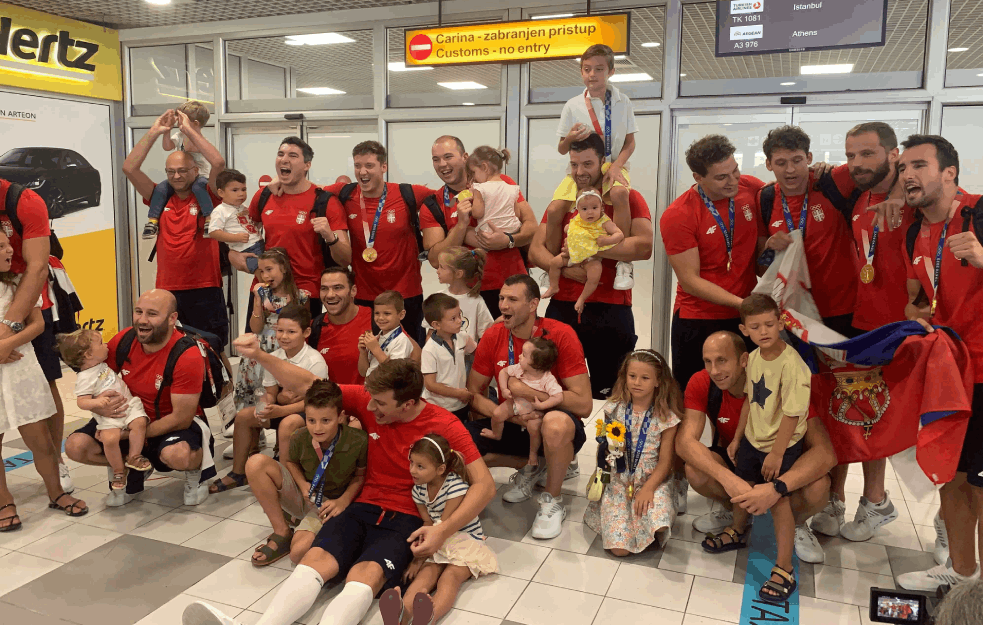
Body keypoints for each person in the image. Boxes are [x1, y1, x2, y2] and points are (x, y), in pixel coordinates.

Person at [183, 352, 496, 625]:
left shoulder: (445, 425)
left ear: (410, 403)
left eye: (381, 403)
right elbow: (311, 385)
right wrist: (260, 356)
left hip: (409, 519)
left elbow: (485, 485)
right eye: (370, 398)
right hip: (359, 506)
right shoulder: (371, 399)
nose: (370, 407)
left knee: (365, 577)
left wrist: (443, 531)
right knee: (311, 563)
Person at [812, 122, 909, 545]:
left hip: (902, 329)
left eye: (867, 154)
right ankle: (836, 495)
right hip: (861, 324)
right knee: (851, 409)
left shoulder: (915, 196)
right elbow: (812, 171)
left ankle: (876, 500)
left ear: (893, 155)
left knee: (883, 417)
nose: (856, 164)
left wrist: (905, 190)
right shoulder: (857, 192)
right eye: (851, 155)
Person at [896, 135, 983, 591]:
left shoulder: (980, 213)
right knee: (951, 474)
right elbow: (917, 301)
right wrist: (918, 320)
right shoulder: (914, 229)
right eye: (905, 166)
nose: (908, 174)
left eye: (921, 165)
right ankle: (962, 572)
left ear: (950, 172)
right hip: (950, 373)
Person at [677, 331, 835, 563]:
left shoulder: (783, 381)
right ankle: (735, 512)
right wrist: (731, 482)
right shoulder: (702, 381)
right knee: (695, 469)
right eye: (708, 362)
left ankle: (798, 523)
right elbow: (684, 442)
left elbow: (826, 454)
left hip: (781, 467)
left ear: (744, 360)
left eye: (722, 360)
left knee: (819, 486)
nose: (714, 371)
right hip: (744, 467)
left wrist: (777, 488)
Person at [465, 274, 593, 540]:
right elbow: (473, 393)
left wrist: (527, 392)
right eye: (501, 298)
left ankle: (552, 500)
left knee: (553, 425)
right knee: (459, 445)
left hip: (553, 424)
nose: (503, 305)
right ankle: (538, 465)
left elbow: (584, 404)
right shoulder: (493, 336)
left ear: (533, 304)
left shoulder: (560, 334)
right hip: (513, 420)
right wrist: (508, 416)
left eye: (512, 299)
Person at [703, 295, 811, 605]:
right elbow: (751, 400)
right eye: (755, 326)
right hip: (753, 439)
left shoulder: (792, 365)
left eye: (768, 324)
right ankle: (737, 530)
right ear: (744, 329)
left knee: (778, 501)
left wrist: (777, 453)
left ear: (781, 323)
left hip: (782, 445)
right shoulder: (753, 358)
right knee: (743, 487)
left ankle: (785, 567)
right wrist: (738, 438)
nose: (763, 331)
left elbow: (792, 414)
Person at [530, 132, 653, 401]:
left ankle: (612, 444)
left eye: (587, 164)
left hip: (611, 307)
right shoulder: (564, 200)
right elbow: (535, 251)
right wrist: (560, 268)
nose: (580, 171)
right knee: (552, 391)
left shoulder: (627, 197)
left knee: (615, 398)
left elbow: (644, 247)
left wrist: (586, 249)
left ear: (602, 162)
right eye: (574, 165)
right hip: (563, 305)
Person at [65, 289, 215, 507]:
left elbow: (181, 418)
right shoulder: (124, 340)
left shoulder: (187, 354)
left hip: (169, 422)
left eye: (152, 314)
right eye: (138, 312)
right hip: (128, 417)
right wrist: (101, 408)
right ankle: (129, 466)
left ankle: (196, 474)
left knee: (178, 455)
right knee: (75, 446)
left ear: (172, 318)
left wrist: (127, 435)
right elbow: (94, 378)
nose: (142, 320)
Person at [660, 134, 764, 392]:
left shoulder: (750, 188)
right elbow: (690, 280)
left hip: (744, 316)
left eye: (735, 171)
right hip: (699, 319)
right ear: (698, 177)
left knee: (750, 395)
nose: (733, 181)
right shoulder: (679, 214)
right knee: (697, 398)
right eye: (722, 177)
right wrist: (743, 304)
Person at [0, 230, 87, 530]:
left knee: (42, 440)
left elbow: (37, 324)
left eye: (9, 243)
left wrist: (9, 344)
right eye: (2, 246)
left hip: (23, 370)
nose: (11, 250)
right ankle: (4, 501)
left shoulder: (20, 283)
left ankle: (56, 492)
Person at [122, 109, 229, 349]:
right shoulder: (159, 198)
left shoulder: (209, 196)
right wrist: (155, 131)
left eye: (182, 171)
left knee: (213, 346)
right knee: (171, 348)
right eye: (171, 172)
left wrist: (189, 129)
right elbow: (129, 168)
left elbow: (219, 162)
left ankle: (222, 387)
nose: (177, 176)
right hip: (168, 290)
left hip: (205, 288)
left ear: (195, 171)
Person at [1, 176, 75, 500]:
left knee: (45, 383)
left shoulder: (23, 201)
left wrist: (7, 333)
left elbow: (36, 268)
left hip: (26, 300)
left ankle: (55, 461)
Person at [245, 379, 367, 567]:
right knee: (255, 463)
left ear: (341, 416)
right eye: (311, 420)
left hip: (329, 505)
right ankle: (282, 531)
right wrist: (302, 485)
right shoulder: (300, 437)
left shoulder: (358, 441)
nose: (317, 428)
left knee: (298, 553)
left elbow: (360, 476)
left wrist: (343, 501)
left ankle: (305, 528)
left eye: (326, 420)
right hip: (305, 495)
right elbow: (290, 463)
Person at [380, 433, 498, 625]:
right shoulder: (418, 490)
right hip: (437, 537)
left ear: (440, 469)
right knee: (425, 575)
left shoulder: (455, 486)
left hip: (463, 538)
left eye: (420, 466)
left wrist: (421, 556)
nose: (412, 470)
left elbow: (444, 525)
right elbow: (428, 523)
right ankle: (400, 615)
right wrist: (418, 560)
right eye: (411, 463)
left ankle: (429, 617)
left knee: (450, 578)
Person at [757, 125, 862, 338]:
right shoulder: (765, 198)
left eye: (797, 160)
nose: (790, 170)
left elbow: (883, 164)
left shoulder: (831, 181)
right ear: (768, 164)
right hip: (793, 312)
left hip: (843, 308)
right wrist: (769, 246)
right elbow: (760, 266)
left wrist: (897, 197)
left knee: (841, 371)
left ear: (809, 157)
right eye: (781, 163)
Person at [213, 303, 328, 493]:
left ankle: (284, 478)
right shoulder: (274, 356)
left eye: (291, 332)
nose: (284, 336)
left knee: (287, 424)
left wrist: (282, 408)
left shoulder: (314, 361)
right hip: (281, 407)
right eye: (280, 331)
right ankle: (239, 472)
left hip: (307, 413)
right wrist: (265, 404)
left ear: (306, 333)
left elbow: (315, 402)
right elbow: (271, 392)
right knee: (243, 417)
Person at [325, 141, 433, 343]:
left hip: (405, 296)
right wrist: (277, 181)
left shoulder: (407, 193)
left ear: (384, 167)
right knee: (368, 357)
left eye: (369, 165)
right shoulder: (345, 194)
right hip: (365, 298)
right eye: (358, 166)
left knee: (408, 359)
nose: (362, 172)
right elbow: (310, 192)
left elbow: (448, 198)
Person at [239, 136, 351, 321]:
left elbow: (345, 258)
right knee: (260, 349)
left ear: (307, 165)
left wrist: (330, 236)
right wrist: (236, 256)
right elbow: (245, 235)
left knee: (301, 350)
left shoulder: (325, 202)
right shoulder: (264, 195)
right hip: (266, 290)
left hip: (305, 293)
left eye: (292, 155)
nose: (284, 159)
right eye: (280, 154)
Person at [423, 136, 536, 319]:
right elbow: (436, 260)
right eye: (436, 159)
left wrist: (508, 240)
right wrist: (461, 226)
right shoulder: (434, 204)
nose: (442, 164)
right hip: (468, 292)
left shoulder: (502, 183)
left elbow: (531, 226)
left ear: (465, 157)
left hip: (512, 286)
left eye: (448, 156)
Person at [555, 43, 637, 289]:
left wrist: (614, 167)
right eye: (587, 69)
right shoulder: (573, 104)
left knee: (621, 193)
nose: (592, 74)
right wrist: (569, 137)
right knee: (553, 210)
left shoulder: (624, 102)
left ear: (610, 71)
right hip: (583, 166)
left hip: (614, 164)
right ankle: (554, 261)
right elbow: (561, 148)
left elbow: (631, 143)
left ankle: (624, 262)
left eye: (599, 69)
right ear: (581, 72)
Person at [584, 349, 679, 555]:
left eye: (645, 378)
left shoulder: (666, 418)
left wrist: (648, 488)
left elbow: (665, 462)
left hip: (652, 479)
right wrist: (607, 460)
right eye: (632, 376)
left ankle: (650, 519)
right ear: (624, 376)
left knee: (660, 524)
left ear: (657, 381)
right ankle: (628, 524)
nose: (637, 382)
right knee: (619, 550)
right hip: (620, 478)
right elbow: (605, 445)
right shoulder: (614, 408)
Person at [56, 329, 152, 491]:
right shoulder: (85, 377)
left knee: (140, 422)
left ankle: (135, 456)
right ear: (88, 355)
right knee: (109, 439)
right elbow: (81, 401)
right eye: (101, 343)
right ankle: (118, 470)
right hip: (109, 417)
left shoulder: (102, 364)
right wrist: (98, 403)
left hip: (129, 406)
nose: (106, 345)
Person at [231, 248, 309, 415]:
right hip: (261, 348)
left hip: (285, 351)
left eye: (269, 269)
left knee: (277, 396)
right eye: (261, 271)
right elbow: (256, 328)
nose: (265, 276)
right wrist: (258, 301)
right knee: (252, 395)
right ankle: (251, 431)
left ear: (284, 268)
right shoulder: (262, 294)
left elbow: (304, 330)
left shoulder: (301, 296)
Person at [482, 337, 564, 470]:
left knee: (534, 428)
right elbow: (503, 372)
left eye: (524, 355)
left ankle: (532, 453)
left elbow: (558, 397)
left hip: (535, 411)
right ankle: (496, 434)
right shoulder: (519, 368)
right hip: (516, 404)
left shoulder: (547, 379)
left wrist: (542, 406)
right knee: (497, 414)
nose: (519, 356)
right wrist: (504, 389)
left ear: (536, 364)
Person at [542, 189, 624, 315]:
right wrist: (569, 230)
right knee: (554, 263)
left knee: (594, 275)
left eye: (594, 207)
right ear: (578, 209)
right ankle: (553, 286)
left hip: (591, 258)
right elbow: (568, 228)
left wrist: (607, 240)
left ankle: (582, 298)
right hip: (572, 254)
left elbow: (619, 235)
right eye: (584, 209)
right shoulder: (577, 219)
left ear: (602, 207)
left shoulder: (604, 222)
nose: (590, 212)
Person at [142, 100, 215, 240]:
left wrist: (188, 129)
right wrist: (167, 131)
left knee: (199, 188)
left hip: (199, 176)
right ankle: (152, 221)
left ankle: (209, 219)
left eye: (181, 120)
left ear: (195, 124)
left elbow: (188, 151)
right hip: (181, 175)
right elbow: (167, 146)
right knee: (161, 188)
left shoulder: (199, 140)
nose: (178, 124)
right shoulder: (180, 136)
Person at [308, 266, 372, 386]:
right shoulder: (313, 328)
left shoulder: (377, 321)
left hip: (367, 403)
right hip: (326, 402)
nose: (330, 295)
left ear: (353, 291)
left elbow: (411, 360)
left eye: (338, 288)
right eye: (324, 289)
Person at [421, 293, 476, 423]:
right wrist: (458, 393)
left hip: (461, 404)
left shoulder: (463, 337)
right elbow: (430, 384)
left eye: (459, 315)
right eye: (453, 318)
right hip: (440, 408)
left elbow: (477, 355)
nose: (460, 321)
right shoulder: (429, 350)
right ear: (436, 325)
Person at [426, 246, 494, 346]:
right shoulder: (437, 298)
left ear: (458, 274)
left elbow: (486, 335)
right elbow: (431, 333)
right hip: (441, 358)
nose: (437, 270)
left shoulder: (476, 301)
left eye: (442, 267)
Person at [207, 169, 264, 274]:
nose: (241, 194)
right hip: (246, 249)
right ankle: (264, 289)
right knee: (260, 270)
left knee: (272, 267)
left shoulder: (243, 207)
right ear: (221, 192)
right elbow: (213, 232)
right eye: (235, 190)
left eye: (243, 189)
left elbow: (250, 226)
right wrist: (235, 238)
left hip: (260, 243)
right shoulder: (220, 211)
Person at [467, 146, 522, 236]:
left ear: (484, 167)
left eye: (474, 172)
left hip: (488, 231)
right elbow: (517, 213)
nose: (474, 177)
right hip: (512, 230)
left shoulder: (479, 188)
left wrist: (472, 202)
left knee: (467, 232)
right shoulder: (512, 188)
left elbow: (477, 214)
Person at [359, 290, 414, 378]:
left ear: (401, 315)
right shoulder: (376, 338)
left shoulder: (402, 340)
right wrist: (363, 352)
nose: (380, 318)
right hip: (371, 387)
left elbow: (396, 373)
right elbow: (364, 373)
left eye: (387, 313)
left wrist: (376, 349)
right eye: (377, 313)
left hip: (388, 390)